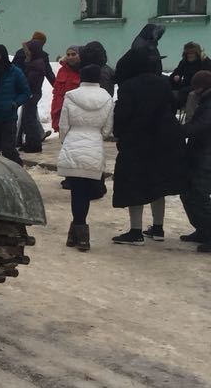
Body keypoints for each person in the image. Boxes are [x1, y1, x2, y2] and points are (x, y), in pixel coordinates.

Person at [111, 46, 186, 244]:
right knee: (157, 183)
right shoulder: (163, 83)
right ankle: (158, 228)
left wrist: (119, 134)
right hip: (163, 140)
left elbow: (122, 115)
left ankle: (135, 231)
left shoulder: (129, 86)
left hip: (136, 141)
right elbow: (172, 104)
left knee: (134, 184)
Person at [57, 64, 113, 251]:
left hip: (73, 142)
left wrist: (65, 140)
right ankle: (77, 235)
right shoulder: (107, 98)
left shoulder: (71, 96)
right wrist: (96, 135)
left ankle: (80, 235)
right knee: (86, 193)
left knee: (77, 191)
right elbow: (107, 129)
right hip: (94, 145)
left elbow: (63, 125)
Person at [180, 70, 211, 251]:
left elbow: (201, 127)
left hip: (206, 157)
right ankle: (202, 229)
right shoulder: (205, 102)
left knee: (199, 195)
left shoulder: (208, 104)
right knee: (188, 193)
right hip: (199, 154)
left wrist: (181, 131)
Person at [17, 38, 52, 153]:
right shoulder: (34, 63)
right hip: (32, 94)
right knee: (28, 119)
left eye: (28, 51)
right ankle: (30, 143)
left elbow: (30, 82)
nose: (26, 53)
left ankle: (34, 145)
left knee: (30, 121)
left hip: (32, 94)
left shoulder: (35, 65)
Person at [169, 41, 210, 110]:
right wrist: (175, 77)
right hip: (185, 86)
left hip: (200, 88)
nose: (190, 55)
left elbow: (208, 78)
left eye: (192, 53)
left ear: (197, 53)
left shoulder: (205, 62)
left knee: (189, 94)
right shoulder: (184, 62)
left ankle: (189, 118)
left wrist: (200, 88)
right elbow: (176, 73)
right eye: (188, 53)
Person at [50, 46, 82, 132]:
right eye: (68, 54)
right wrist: (55, 116)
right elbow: (56, 96)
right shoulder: (62, 71)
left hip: (79, 117)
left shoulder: (84, 71)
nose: (70, 57)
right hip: (63, 116)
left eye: (73, 54)